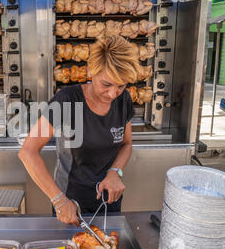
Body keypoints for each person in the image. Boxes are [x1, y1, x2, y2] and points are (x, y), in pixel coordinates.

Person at [18, 35, 141, 225]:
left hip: (109, 200)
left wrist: (115, 172)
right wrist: (58, 200)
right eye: (106, 84)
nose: (112, 94)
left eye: (121, 86)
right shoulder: (66, 99)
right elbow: (28, 151)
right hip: (70, 203)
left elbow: (126, 144)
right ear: (91, 71)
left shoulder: (123, 99)